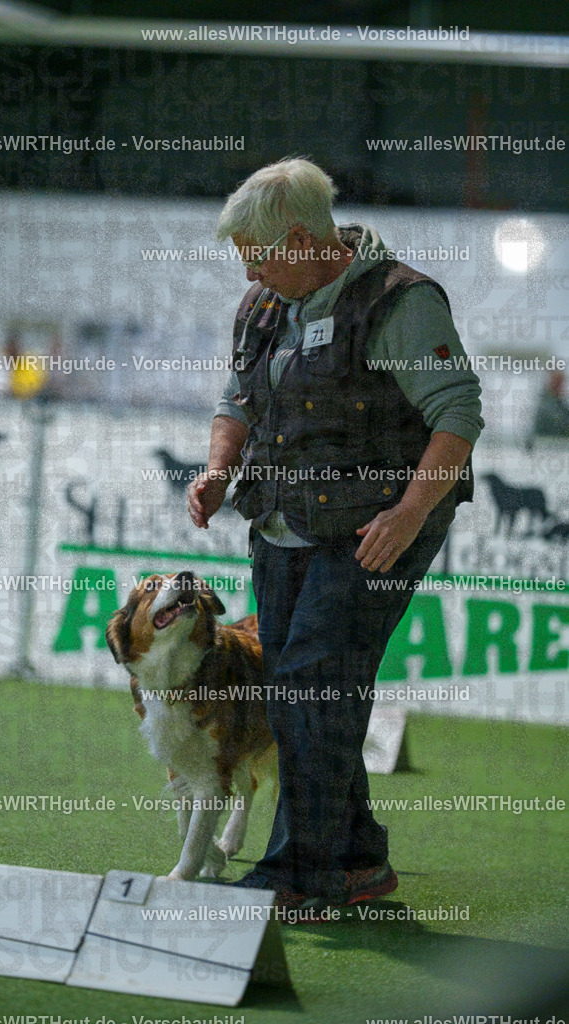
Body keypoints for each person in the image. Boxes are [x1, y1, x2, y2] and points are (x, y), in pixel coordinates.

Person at [187, 158, 484, 915]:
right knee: (305, 692)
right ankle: (356, 858)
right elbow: (236, 399)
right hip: (283, 523)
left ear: (298, 239)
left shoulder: (399, 303)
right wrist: (218, 469)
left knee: (311, 686)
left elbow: (456, 415)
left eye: (256, 253)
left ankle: (300, 876)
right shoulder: (262, 304)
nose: (247, 268)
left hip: (376, 529)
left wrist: (410, 514)